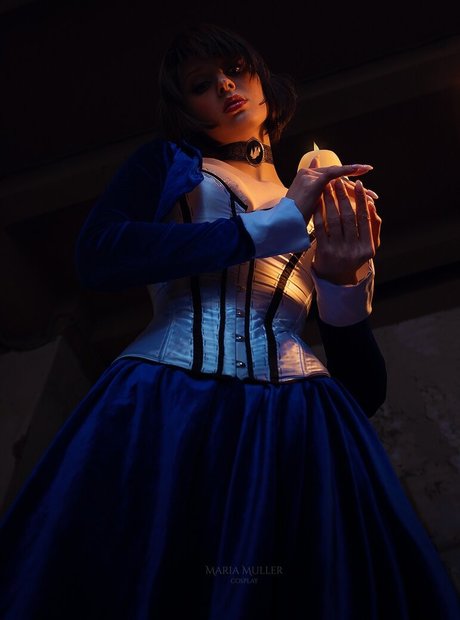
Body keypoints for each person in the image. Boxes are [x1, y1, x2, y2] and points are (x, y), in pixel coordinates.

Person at [0, 22, 459, 620]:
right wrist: (279, 221)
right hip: (167, 398)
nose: (224, 85)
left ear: (263, 80)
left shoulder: (321, 205)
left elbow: (364, 392)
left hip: (299, 418)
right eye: (200, 84)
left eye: (236, 70)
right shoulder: (170, 164)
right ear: (186, 110)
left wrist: (343, 282)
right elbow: (99, 255)